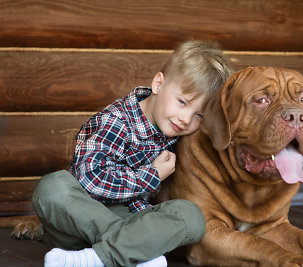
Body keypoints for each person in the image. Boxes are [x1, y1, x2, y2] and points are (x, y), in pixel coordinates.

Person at [32, 40, 233, 267]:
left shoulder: (176, 134)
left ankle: (97, 258)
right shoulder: (116, 121)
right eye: (182, 102)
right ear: (158, 84)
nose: (186, 119)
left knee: (192, 217)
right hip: (81, 219)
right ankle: (131, 251)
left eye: (199, 115)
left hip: (135, 221)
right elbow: (90, 179)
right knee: (52, 186)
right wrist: (153, 175)